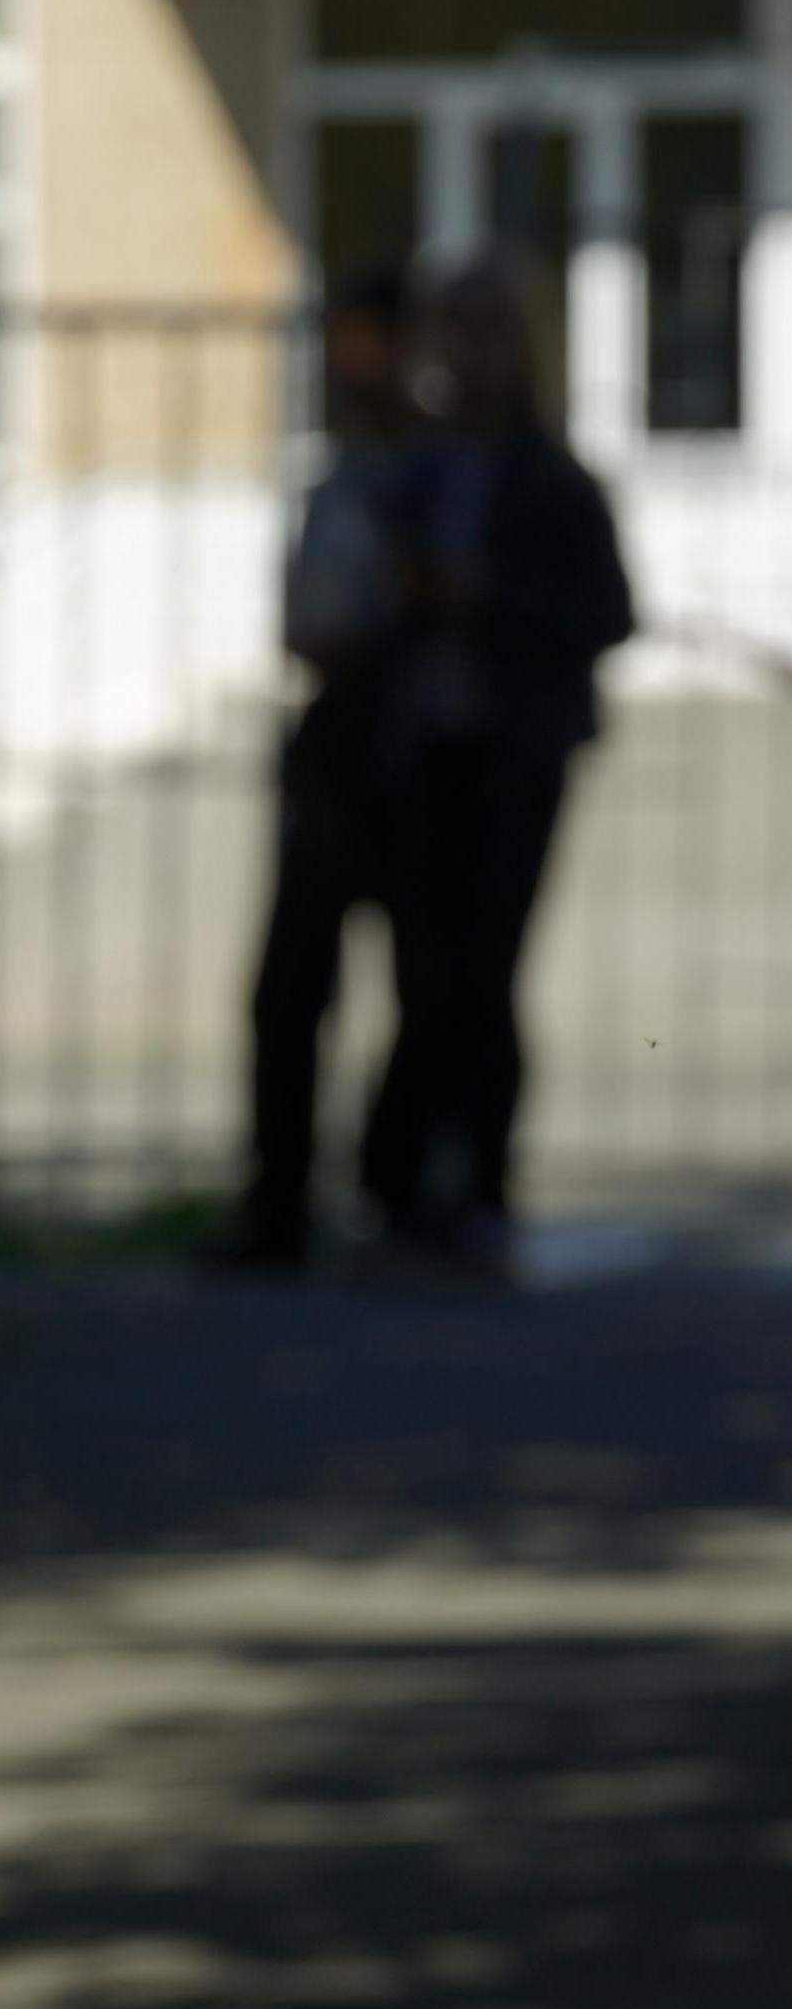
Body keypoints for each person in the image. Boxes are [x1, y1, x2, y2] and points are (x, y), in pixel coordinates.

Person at [372, 257, 633, 1266]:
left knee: (485, 968)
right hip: (421, 746)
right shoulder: (415, 468)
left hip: (515, 751)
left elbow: (607, 612)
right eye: (454, 328)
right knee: (422, 971)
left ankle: (480, 1182)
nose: (467, 352)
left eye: (486, 328)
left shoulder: (553, 477)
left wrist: (487, 596)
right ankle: (403, 1185)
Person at [209, 263, 421, 1269]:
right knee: (291, 986)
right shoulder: (343, 473)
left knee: (428, 983)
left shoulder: (433, 472)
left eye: (365, 343)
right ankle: (283, 1198)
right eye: (340, 343)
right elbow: (304, 615)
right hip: (338, 741)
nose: (348, 364)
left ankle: (397, 1187)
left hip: (414, 747)